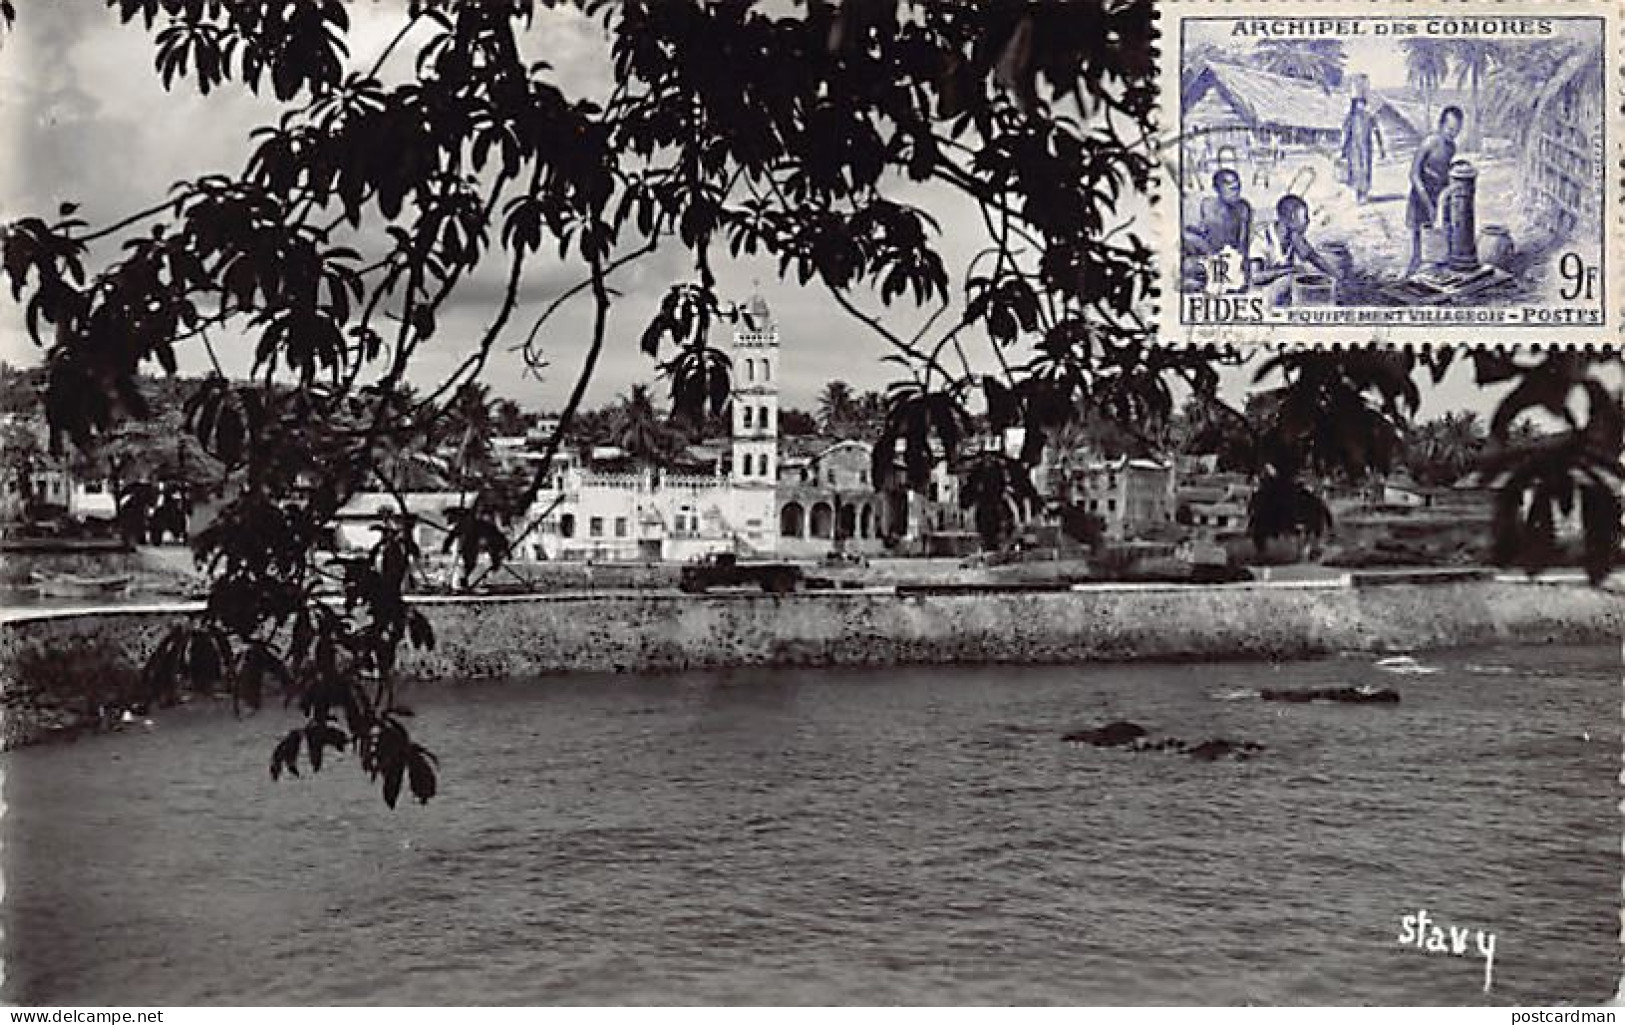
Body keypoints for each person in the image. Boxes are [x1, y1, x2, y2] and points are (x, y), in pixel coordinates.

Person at [1404, 106, 1464, 278]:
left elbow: (1443, 170)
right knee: (1419, 237)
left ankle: (1436, 272)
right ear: (1441, 125)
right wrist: (1427, 202)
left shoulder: (1451, 147)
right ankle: (1412, 272)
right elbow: (1414, 174)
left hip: (1438, 195)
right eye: (1450, 129)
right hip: (1420, 194)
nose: (1453, 134)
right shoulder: (1429, 143)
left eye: (1457, 131)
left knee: (1440, 235)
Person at [1252, 194, 1342, 306]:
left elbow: (1316, 259)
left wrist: (1338, 279)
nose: (1308, 221)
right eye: (1305, 217)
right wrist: (1289, 270)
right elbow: (1255, 277)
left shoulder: (1294, 237)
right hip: (1261, 300)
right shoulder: (1262, 239)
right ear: (1291, 219)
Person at [1181, 169, 1253, 291]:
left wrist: (1241, 265)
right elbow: (1204, 229)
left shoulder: (1243, 208)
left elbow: (1243, 243)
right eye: (1230, 188)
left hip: (1228, 258)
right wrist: (1195, 232)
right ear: (1217, 189)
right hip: (1207, 254)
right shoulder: (1207, 204)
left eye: (1237, 188)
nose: (1236, 192)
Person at [1339, 95, 1385, 204]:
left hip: (1366, 147)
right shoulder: (1351, 117)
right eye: (1358, 103)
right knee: (1356, 171)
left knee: (1365, 170)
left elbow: (1377, 132)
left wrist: (1381, 147)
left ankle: (1364, 194)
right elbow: (1346, 133)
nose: (1361, 106)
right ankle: (1358, 194)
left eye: (1362, 103)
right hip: (1354, 148)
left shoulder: (1369, 117)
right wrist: (1344, 149)